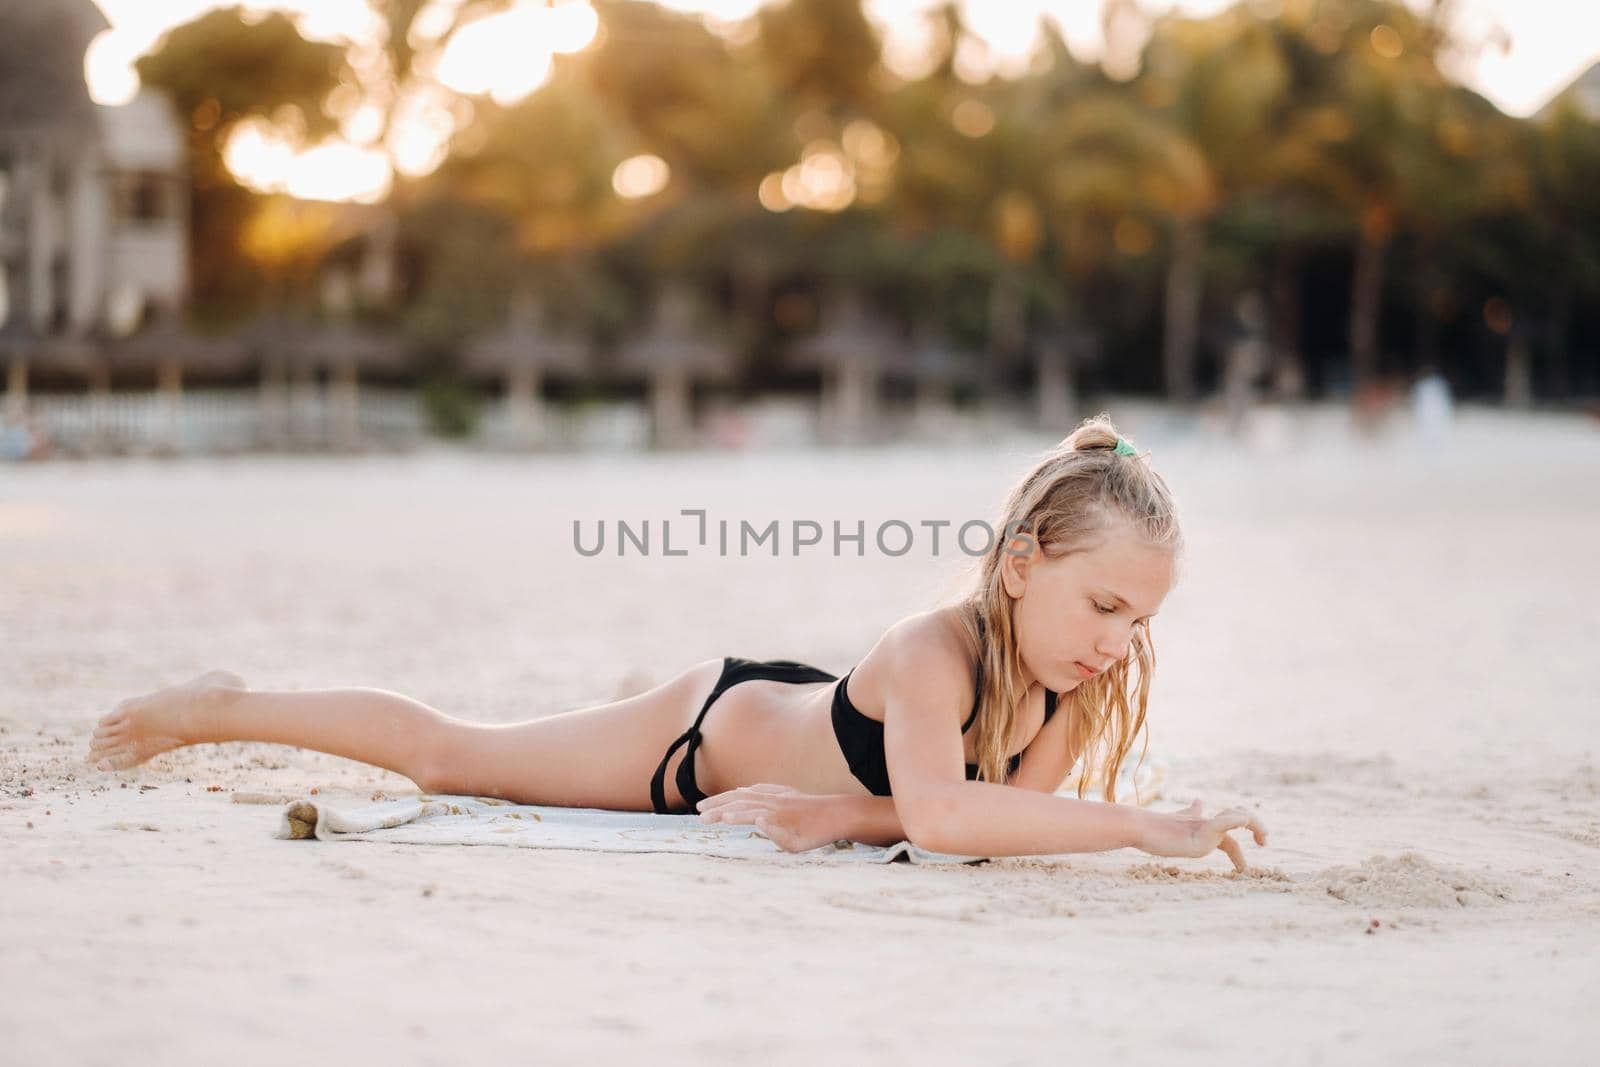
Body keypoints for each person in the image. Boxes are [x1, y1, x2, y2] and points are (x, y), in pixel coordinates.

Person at [85, 412, 1268, 869]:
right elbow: (951, 812)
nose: (1117, 642)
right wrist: (1142, 826)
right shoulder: (931, 652)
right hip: (706, 733)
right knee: (452, 756)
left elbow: (973, 824)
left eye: (1140, 620)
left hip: (800, 741)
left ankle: (611, 699)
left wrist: (829, 814)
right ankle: (217, 702)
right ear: (1018, 567)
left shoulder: (1069, 687)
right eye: (1102, 606)